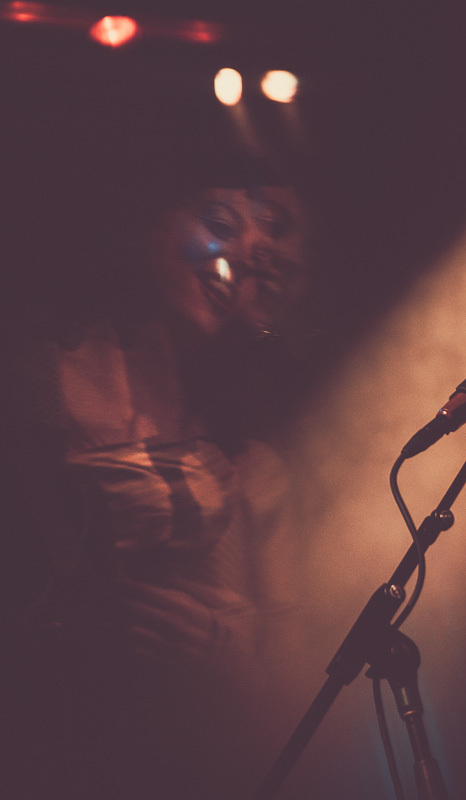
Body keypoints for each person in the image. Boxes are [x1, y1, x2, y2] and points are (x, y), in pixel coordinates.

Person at [1, 151, 314, 799]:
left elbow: (290, 671)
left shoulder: (246, 451)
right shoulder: (35, 371)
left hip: (191, 759)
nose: (247, 253)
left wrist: (222, 648)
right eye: (222, 222)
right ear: (146, 222)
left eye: (268, 236)